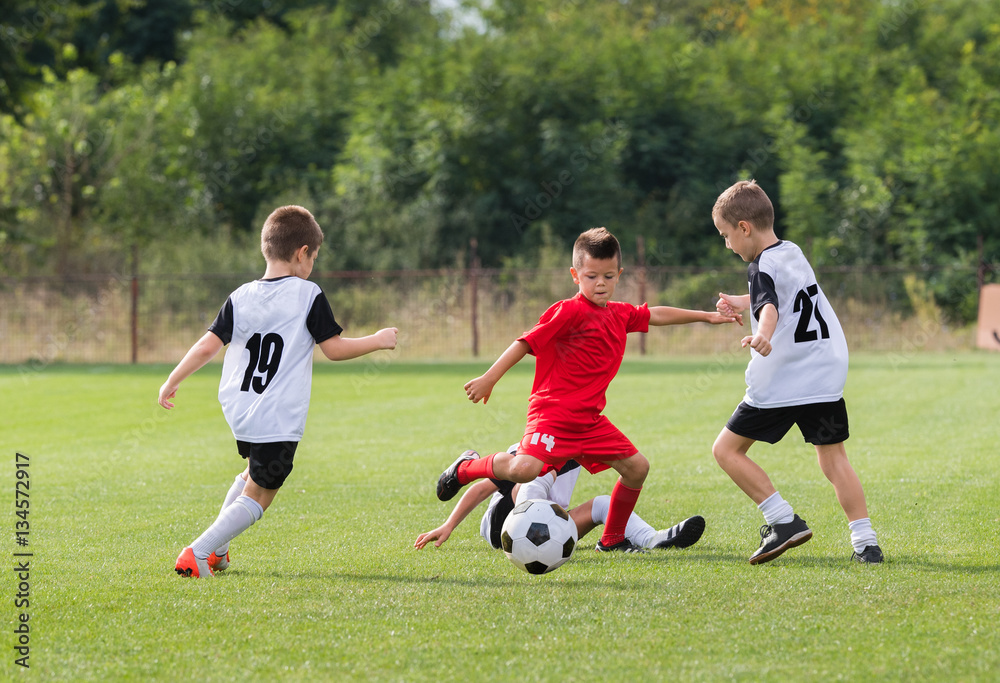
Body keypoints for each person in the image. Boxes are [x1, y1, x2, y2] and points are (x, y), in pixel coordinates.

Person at [435, 226, 737, 553]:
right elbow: (524, 342)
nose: (601, 284)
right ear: (575, 276)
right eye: (592, 276)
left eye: (609, 276)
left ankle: (613, 539)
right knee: (524, 470)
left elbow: (655, 315)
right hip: (551, 415)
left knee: (637, 468)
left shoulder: (619, 315)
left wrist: (708, 317)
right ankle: (465, 469)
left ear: (619, 274)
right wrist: (489, 378)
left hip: (589, 423)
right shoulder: (568, 311)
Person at [158, 205, 398, 578]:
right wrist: (378, 340)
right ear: (302, 252)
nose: (313, 265)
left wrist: (172, 379)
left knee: (249, 475)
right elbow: (334, 349)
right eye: (314, 257)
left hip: (241, 409)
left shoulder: (240, 296)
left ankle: (219, 551)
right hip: (277, 415)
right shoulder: (307, 294)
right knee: (261, 493)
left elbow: (207, 346)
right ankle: (199, 552)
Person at [710, 180, 883, 565]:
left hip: (786, 378)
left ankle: (782, 521)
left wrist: (762, 336)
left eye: (726, 235)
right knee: (834, 459)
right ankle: (866, 544)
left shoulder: (759, 268)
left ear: (744, 228)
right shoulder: (791, 253)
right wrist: (739, 301)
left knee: (726, 450)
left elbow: (769, 307)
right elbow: (780, 295)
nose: (727, 245)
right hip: (825, 372)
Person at [416, 444, 706, 552]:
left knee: (603, 504)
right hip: (502, 526)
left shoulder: (580, 446)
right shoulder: (532, 449)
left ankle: (654, 538)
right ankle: (467, 463)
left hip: (550, 530)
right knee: (531, 482)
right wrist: (448, 525)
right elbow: (482, 489)